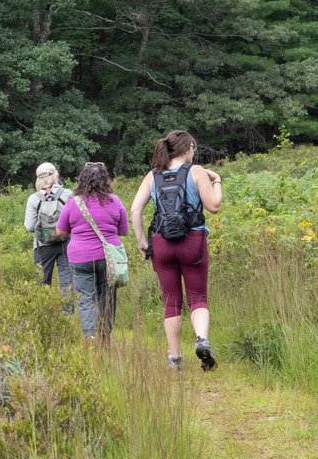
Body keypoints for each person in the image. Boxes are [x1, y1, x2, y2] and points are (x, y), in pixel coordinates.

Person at [130, 129, 224, 370]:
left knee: (170, 302)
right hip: (192, 242)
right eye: (193, 148)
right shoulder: (196, 172)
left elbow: (135, 210)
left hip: (162, 244)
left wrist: (143, 242)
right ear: (186, 149)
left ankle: (174, 358)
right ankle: (201, 340)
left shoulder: (153, 176)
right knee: (198, 297)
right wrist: (217, 181)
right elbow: (213, 206)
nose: (194, 152)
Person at [54, 161, 129, 342]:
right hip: (108, 258)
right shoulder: (115, 201)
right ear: (105, 180)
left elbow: (60, 231)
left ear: (82, 180)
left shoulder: (73, 203)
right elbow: (123, 230)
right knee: (108, 297)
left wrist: (79, 231)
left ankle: (90, 337)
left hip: (80, 258)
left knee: (86, 298)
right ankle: (105, 336)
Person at [23, 163, 73, 288]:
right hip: (66, 243)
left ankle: (45, 308)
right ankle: (67, 308)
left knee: (42, 284)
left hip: (42, 246)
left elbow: (29, 226)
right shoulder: (68, 194)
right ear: (55, 175)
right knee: (68, 284)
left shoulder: (34, 198)